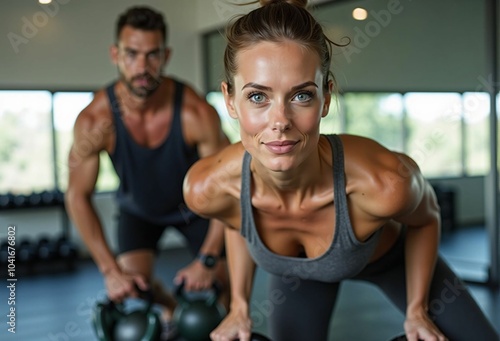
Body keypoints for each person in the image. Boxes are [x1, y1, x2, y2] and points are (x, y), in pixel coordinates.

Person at [183, 1, 500, 341]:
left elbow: (426, 216)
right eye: (258, 97)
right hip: (297, 275)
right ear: (230, 100)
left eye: (302, 95)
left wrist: (417, 310)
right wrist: (239, 307)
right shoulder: (209, 188)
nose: (280, 122)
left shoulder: (384, 182)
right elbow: (237, 222)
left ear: (326, 97)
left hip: (387, 259)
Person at [65, 6, 230, 340]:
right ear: (115, 54)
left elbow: (227, 185)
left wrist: (208, 260)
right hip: (138, 210)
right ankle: (169, 306)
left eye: (152, 55)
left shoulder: (195, 112)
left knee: (220, 299)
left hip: (194, 209)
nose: (142, 67)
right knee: (134, 289)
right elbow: (77, 195)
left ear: (166, 55)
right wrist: (110, 272)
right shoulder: (95, 121)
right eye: (132, 54)